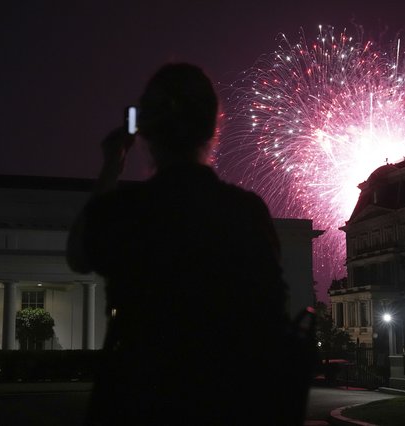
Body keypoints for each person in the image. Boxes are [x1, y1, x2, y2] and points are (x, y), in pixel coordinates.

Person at [67, 63, 306, 425]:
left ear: (144, 130)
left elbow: (78, 255)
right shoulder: (245, 212)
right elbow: (272, 314)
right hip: (225, 403)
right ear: (213, 128)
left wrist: (112, 165)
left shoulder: (125, 211)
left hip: (136, 401)